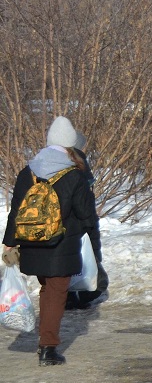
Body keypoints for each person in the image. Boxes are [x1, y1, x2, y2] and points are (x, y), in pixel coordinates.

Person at [2, 116, 98, 366]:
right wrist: (85, 233)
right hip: (60, 245)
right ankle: (48, 348)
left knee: (47, 289)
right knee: (56, 293)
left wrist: (9, 242)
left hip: (31, 243)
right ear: (71, 145)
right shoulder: (75, 175)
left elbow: (16, 210)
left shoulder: (28, 171)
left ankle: (45, 337)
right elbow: (86, 216)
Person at [65, 132, 107, 311]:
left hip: (64, 226)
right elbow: (85, 207)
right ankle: (81, 295)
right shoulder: (78, 163)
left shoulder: (49, 165)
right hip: (80, 224)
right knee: (86, 262)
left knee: (68, 264)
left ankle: (71, 297)